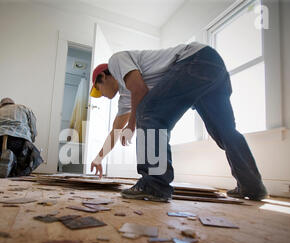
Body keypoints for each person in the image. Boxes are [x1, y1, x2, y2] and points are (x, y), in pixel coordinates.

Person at [89, 42, 267, 202]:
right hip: (213, 65)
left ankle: (154, 185)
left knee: (149, 112)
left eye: (99, 90)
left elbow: (140, 90)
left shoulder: (116, 61)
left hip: (194, 61)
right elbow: (116, 131)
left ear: (103, 77)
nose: (102, 96)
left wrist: (132, 123)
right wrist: (98, 158)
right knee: (225, 131)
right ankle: (252, 186)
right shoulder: (125, 97)